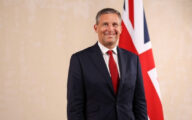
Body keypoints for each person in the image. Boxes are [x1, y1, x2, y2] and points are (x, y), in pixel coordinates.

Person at [67, 8, 147, 120]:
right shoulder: (79, 60)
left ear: (120, 29)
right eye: (105, 24)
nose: (110, 29)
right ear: (96, 28)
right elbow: (75, 108)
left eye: (115, 24)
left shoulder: (133, 59)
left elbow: (140, 103)